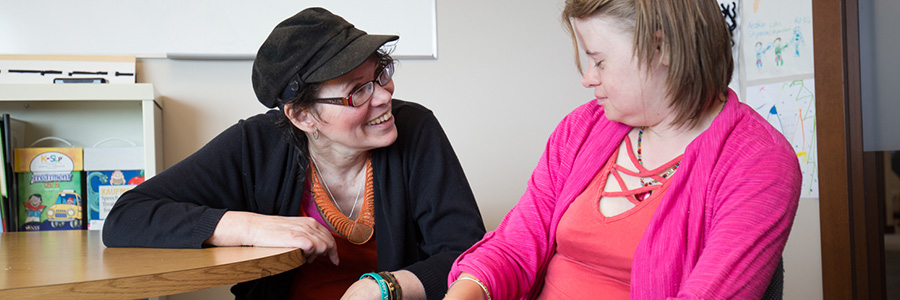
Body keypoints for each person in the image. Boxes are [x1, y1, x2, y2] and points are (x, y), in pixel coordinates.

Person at [102, 7, 486, 300]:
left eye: (380, 74)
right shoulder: (255, 143)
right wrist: (254, 227)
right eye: (358, 90)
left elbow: (469, 256)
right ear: (303, 116)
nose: (385, 96)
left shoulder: (416, 129)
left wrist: (383, 288)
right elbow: (126, 217)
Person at [444, 0, 801, 299]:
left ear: (661, 49)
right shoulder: (580, 128)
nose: (588, 77)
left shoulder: (758, 161)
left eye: (599, 61)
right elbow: (513, 248)